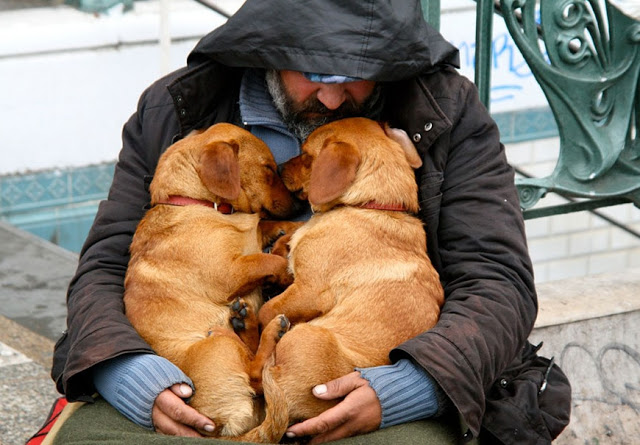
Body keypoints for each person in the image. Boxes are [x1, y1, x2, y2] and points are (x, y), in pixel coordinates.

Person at [50, 1, 571, 444]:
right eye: (314, 76)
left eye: (356, 77)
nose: (331, 97)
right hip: (191, 363)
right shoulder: (176, 107)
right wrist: (124, 368)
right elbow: (106, 261)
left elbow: (497, 280)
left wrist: (412, 385)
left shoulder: (447, 110)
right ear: (269, 50)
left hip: (374, 371)